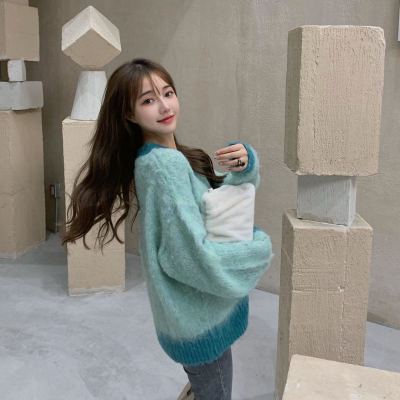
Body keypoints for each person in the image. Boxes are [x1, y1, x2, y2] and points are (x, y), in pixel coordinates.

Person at [61, 58, 274, 400]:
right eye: (148, 100)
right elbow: (186, 256)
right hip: (199, 319)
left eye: (168, 93)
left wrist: (244, 168)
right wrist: (256, 250)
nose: (164, 106)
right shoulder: (164, 166)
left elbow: (208, 210)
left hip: (193, 316)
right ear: (129, 114)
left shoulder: (168, 156)